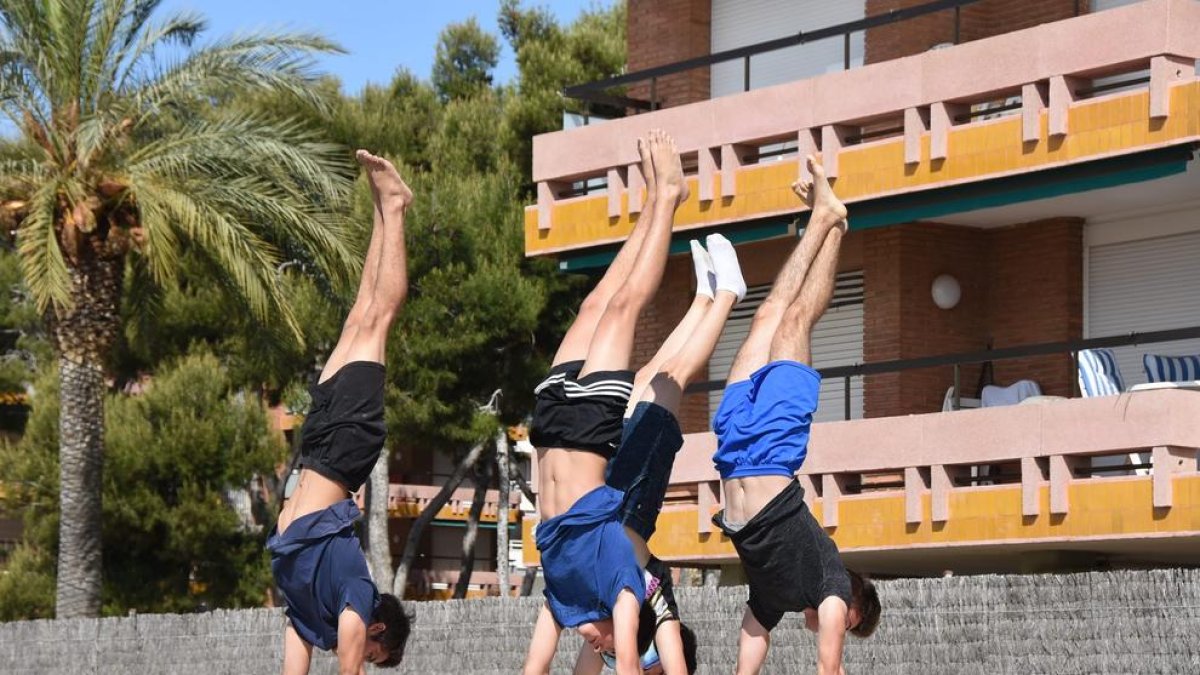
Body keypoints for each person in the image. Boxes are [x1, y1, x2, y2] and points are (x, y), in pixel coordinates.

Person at [522, 130, 744, 675]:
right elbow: (625, 658)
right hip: (589, 436)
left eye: (595, 648)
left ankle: (651, 207)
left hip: (549, 428)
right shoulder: (623, 586)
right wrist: (622, 654)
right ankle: (669, 196)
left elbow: (534, 669)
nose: (594, 646)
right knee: (623, 311)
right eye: (602, 646)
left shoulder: (562, 600)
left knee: (595, 303)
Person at [711, 156, 882, 675]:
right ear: (852, 614)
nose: (839, 629)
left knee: (766, 315)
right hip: (772, 449)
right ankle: (825, 220)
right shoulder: (830, 585)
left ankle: (830, 220)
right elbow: (828, 670)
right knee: (795, 321)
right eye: (850, 625)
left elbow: (753, 633)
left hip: (734, 446)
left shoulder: (777, 594)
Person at [267, 150, 413, 674]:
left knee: (358, 317)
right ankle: (394, 208)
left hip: (317, 450)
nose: (360, 656)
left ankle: (382, 209)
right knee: (378, 320)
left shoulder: (310, 612)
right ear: (378, 629)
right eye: (376, 655)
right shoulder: (356, 601)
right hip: (345, 448)